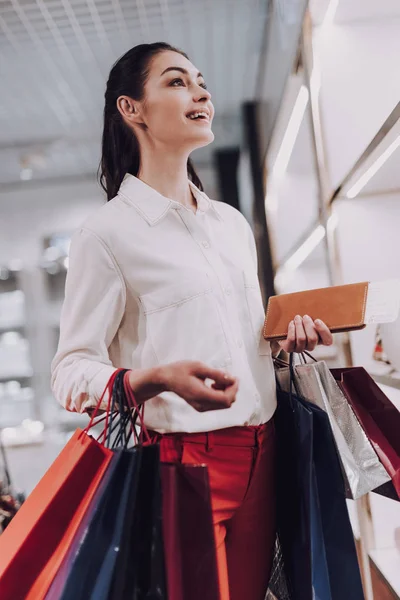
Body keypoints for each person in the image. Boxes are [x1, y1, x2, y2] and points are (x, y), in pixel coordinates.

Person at [51, 42, 333, 600]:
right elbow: (68, 371)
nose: (200, 91)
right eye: (177, 82)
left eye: (201, 81)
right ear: (132, 109)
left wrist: (285, 345)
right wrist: (151, 378)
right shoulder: (106, 236)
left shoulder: (228, 223)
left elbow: (241, 342)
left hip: (267, 450)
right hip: (184, 464)